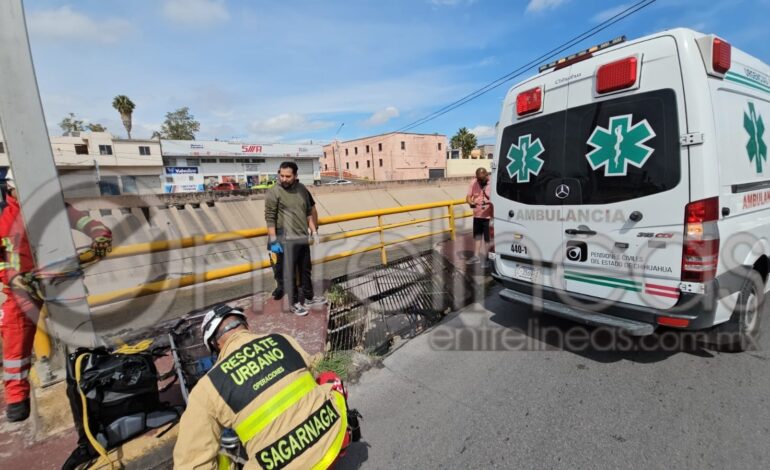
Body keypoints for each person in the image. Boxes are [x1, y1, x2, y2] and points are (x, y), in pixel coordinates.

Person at [173, 304, 350, 469]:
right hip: (331, 445)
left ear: (214, 344)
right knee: (327, 378)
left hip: (279, 463)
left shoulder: (207, 388)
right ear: (246, 326)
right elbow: (313, 367)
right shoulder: (281, 340)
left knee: (217, 457)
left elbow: (190, 463)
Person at [0, 171, 112, 422]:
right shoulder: (5, 218)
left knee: (80, 329)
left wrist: (101, 233)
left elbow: (83, 221)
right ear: (12, 189)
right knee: (16, 333)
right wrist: (13, 278)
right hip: (23, 287)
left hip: (60, 279)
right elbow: (5, 260)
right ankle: (17, 397)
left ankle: (95, 375)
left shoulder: (53, 208)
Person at [264, 162, 326, 316]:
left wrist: (314, 231)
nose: (284, 179)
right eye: (282, 175)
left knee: (305, 269)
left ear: (295, 176)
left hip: (301, 236)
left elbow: (308, 212)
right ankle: (294, 303)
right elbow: (270, 218)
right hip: (284, 238)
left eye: (288, 176)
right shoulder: (274, 192)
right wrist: (273, 240)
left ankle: (309, 297)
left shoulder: (302, 189)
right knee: (289, 272)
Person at [466, 167, 493, 267]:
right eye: (478, 179)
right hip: (477, 215)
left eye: (481, 179)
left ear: (487, 176)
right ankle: (476, 257)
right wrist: (470, 202)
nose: (479, 181)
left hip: (488, 216)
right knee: (477, 237)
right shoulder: (473, 182)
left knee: (487, 239)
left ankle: (487, 258)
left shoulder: (492, 183)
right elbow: (468, 197)